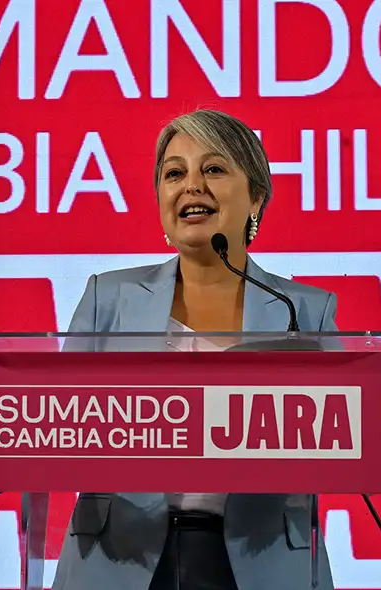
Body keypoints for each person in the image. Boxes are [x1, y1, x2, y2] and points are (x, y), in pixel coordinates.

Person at [52, 109, 341, 590]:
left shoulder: (304, 310)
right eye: (174, 173)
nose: (191, 186)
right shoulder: (109, 297)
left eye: (213, 169)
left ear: (256, 196)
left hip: (261, 560)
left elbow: (356, 449)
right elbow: (52, 425)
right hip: (118, 557)